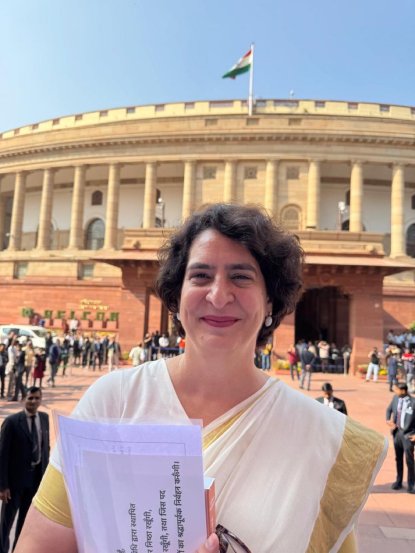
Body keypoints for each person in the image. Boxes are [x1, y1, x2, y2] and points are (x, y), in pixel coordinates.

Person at [17, 204, 387, 553]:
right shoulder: (115, 401)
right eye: (201, 276)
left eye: (241, 277)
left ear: (270, 302)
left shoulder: (324, 441)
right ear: (176, 297)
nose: (219, 294)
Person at [0, 387, 50, 552]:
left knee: (25, 522)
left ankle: (18, 549)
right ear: (24, 399)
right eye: (30, 398)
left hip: (35, 481)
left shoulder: (44, 419)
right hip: (14, 484)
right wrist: (3, 486)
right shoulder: (12, 422)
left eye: (37, 398)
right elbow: (2, 455)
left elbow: (45, 449)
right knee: (6, 524)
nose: (34, 401)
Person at [386, 383, 415, 494]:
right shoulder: (395, 398)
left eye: (396, 390)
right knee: (398, 458)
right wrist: (388, 420)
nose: (395, 392)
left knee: (409, 460)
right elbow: (389, 410)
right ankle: (398, 481)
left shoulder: (413, 402)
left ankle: (412, 484)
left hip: (408, 434)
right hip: (397, 433)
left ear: (403, 391)